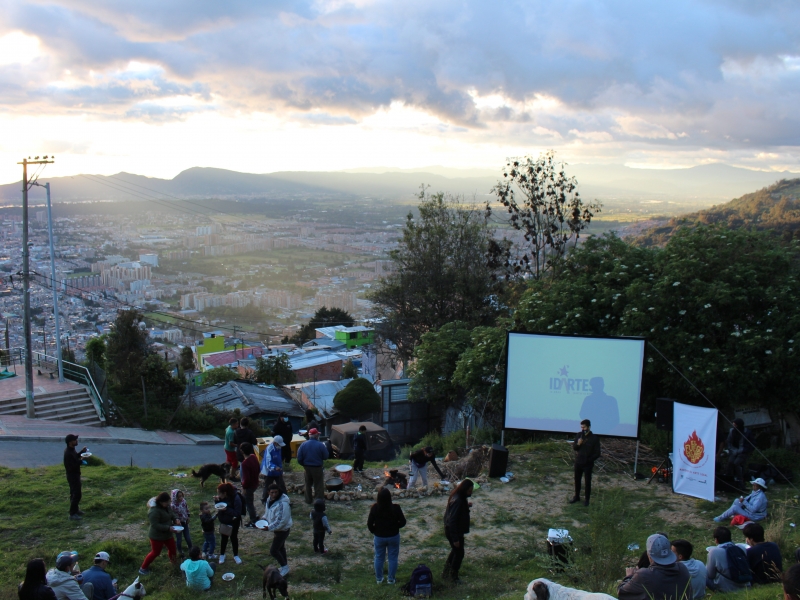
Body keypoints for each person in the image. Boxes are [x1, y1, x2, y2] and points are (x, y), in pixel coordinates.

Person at [618, 534, 691, 600]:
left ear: (649, 555)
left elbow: (621, 592)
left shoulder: (644, 575)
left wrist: (629, 576)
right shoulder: (682, 568)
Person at [368, 486, 406, 585]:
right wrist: (396, 527)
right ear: (390, 497)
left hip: (379, 536)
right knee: (393, 558)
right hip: (393, 535)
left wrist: (374, 531)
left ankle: (379, 579)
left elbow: (369, 523)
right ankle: (391, 579)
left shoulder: (375, 508)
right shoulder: (396, 508)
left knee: (379, 557)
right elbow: (403, 522)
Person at [139, 491, 181, 575]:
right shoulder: (153, 511)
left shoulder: (167, 506)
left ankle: (174, 564)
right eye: (167, 502)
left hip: (168, 534)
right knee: (156, 552)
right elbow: (155, 525)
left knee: (172, 549)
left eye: (169, 502)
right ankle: (143, 568)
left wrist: (176, 519)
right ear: (161, 502)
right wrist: (168, 528)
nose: (168, 504)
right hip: (157, 536)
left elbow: (171, 513)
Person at [442, 479, 472, 583]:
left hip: (452, 530)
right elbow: (453, 521)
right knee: (459, 553)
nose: (470, 493)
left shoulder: (457, 497)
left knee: (455, 551)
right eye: (469, 491)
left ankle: (446, 573)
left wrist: (466, 506)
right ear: (465, 490)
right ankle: (453, 577)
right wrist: (455, 539)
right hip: (454, 531)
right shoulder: (458, 501)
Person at [261, 483, 293, 577]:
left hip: (282, 530)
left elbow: (281, 521)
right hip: (277, 530)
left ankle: (285, 567)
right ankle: (285, 567)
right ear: (268, 493)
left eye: (276, 492)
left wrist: (269, 528)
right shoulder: (269, 500)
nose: (274, 494)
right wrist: (264, 518)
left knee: (274, 551)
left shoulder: (283, 504)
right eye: (272, 492)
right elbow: (268, 512)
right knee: (280, 548)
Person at [706, 526, 751, 592]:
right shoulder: (741, 548)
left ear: (716, 540)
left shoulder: (714, 552)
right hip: (746, 586)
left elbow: (710, 575)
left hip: (727, 589)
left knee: (703, 574)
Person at [571, 419, 601, 506]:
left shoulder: (594, 438)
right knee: (577, 480)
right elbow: (575, 448)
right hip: (578, 462)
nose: (583, 429)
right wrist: (578, 444)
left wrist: (589, 460)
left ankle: (587, 499)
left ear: (589, 427)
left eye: (584, 427)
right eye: (581, 427)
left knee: (587, 482)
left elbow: (597, 453)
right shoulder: (579, 435)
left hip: (588, 464)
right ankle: (577, 496)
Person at [296, 428, 328, 504]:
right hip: (317, 467)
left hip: (307, 467)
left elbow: (299, 458)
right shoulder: (320, 445)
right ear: (316, 435)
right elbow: (326, 456)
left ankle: (308, 500)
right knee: (318, 485)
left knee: (307, 484)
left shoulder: (303, 445)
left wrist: (303, 464)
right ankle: (318, 500)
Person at [215, 482, 244, 565]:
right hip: (224, 520)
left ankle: (236, 555)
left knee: (234, 538)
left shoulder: (236, 498)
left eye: (219, 494)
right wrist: (216, 501)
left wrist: (226, 509)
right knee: (224, 538)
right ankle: (222, 555)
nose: (218, 495)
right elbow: (219, 506)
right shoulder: (222, 497)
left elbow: (238, 512)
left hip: (234, 521)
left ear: (225, 493)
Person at [63, 434, 87, 520]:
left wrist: (81, 452)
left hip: (75, 475)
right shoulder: (68, 453)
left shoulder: (71, 450)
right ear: (70, 442)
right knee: (76, 494)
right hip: (73, 476)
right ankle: (72, 514)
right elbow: (72, 466)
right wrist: (81, 461)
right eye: (75, 440)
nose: (76, 441)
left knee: (74, 493)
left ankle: (76, 510)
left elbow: (75, 457)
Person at [725, 418, 755, 483]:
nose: (734, 426)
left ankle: (740, 479)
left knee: (737, 463)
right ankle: (728, 478)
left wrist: (747, 451)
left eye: (735, 425)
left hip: (743, 451)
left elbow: (752, 443)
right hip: (733, 450)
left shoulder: (747, 432)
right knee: (730, 462)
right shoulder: (732, 431)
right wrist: (732, 450)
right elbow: (728, 442)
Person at [239, 442, 260, 527]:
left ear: (242, 451)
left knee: (249, 503)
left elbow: (246, 478)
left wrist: (244, 487)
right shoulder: (254, 457)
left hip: (249, 486)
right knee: (248, 501)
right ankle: (254, 515)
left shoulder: (245, 463)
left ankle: (253, 520)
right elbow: (258, 468)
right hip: (255, 482)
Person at [261, 435, 288, 500]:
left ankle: (285, 499)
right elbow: (268, 461)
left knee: (281, 486)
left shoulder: (278, 448)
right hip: (269, 471)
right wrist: (275, 467)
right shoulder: (269, 449)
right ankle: (264, 500)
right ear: (275, 443)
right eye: (279, 444)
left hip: (277, 470)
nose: (280, 446)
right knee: (267, 486)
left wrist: (280, 468)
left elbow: (278, 459)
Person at [171, 489, 192, 558]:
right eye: (179, 497)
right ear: (174, 497)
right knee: (179, 539)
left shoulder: (183, 501)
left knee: (188, 537)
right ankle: (180, 551)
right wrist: (175, 521)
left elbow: (186, 509)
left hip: (185, 522)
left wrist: (188, 516)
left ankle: (191, 548)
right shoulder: (172, 505)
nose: (181, 498)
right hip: (178, 525)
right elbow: (172, 515)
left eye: (181, 496)